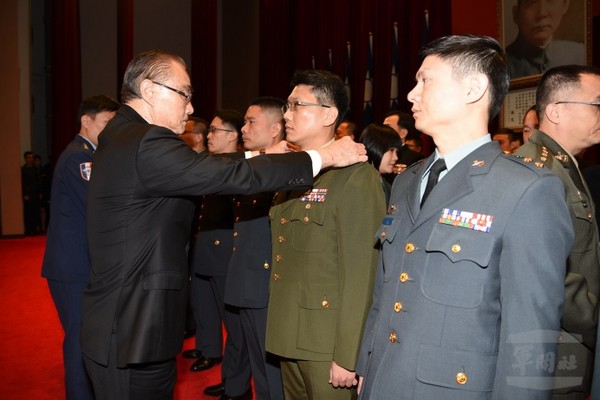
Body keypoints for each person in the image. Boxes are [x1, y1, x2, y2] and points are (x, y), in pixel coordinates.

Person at [79, 50, 367, 400]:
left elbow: (202, 164)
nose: (189, 108)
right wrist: (324, 156)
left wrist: (260, 156)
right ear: (150, 90)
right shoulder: (145, 140)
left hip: (125, 323)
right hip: (130, 327)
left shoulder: (126, 134)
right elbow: (217, 174)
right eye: (184, 94)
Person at [356, 35, 574, 399]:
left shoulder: (526, 190)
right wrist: (368, 365)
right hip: (385, 380)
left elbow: (531, 336)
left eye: (425, 81)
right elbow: (386, 289)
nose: (411, 94)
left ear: (473, 88)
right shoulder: (408, 180)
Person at [265, 69, 387, 400]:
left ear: (329, 115)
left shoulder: (355, 179)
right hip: (289, 333)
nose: (286, 115)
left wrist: (348, 356)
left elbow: (362, 273)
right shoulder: (294, 171)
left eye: (296, 105)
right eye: (286, 106)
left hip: (326, 344)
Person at [514, 64, 600, 399]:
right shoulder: (538, 172)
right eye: (596, 104)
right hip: (557, 343)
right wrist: (594, 321)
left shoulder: (563, 165)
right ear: (555, 111)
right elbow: (546, 272)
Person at [41, 95, 119, 400]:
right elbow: (97, 208)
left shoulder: (90, 154)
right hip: (73, 266)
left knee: (85, 336)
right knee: (79, 339)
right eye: (105, 123)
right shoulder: (79, 157)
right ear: (86, 121)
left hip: (79, 263)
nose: (110, 131)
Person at [223, 96, 287, 400]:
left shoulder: (286, 167)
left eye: (251, 122)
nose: (243, 128)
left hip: (264, 285)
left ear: (275, 129)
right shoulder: (255, 164)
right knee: (258, 369)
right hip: (245, 281)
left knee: (270, 374)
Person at [195, 110, 253, 400]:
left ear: (232, 136)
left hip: (224, 255)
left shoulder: (238, 166)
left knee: (236, 328)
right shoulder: (213, 163)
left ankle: (237, 386)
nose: (209, 135)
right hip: (206, 253)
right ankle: (231, 379)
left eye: (216, 130)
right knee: (213, 316)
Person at [506, 0, 585, 79]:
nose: (542, 13)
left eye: (550, 1)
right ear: (516, 13)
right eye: (531, 2)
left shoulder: (580, 54)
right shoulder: (502, 65)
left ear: (565, 5)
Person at [359, 123, 403, 203]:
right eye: (391, 150)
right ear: (375, 148)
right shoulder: (358, 184)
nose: (396, 157)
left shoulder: (386, 185)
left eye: (397, 152)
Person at [21, 150, 42, 235]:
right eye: (29, 157)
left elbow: (38, 182)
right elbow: (23, 183)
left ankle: (35, 229)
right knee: (28, 212)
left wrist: (40, 192)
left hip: (35, 194)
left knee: (35, 212)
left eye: (32, 157)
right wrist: (25, 194)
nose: (31, 159)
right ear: (25, 159)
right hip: (28, 194)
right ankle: (28, 229)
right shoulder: (23, 170)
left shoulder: (35, 169)